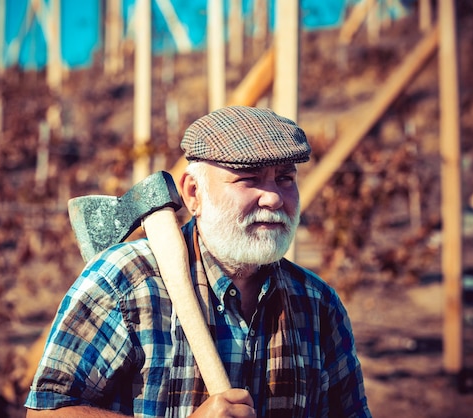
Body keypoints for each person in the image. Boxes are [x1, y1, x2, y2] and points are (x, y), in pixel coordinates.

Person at [25, 106, 371, 417]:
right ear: (193, 193)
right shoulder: (125, 282)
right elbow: (45, 415)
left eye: (285, 178)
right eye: (248, 178)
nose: (273, 197)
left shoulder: (318, 304)